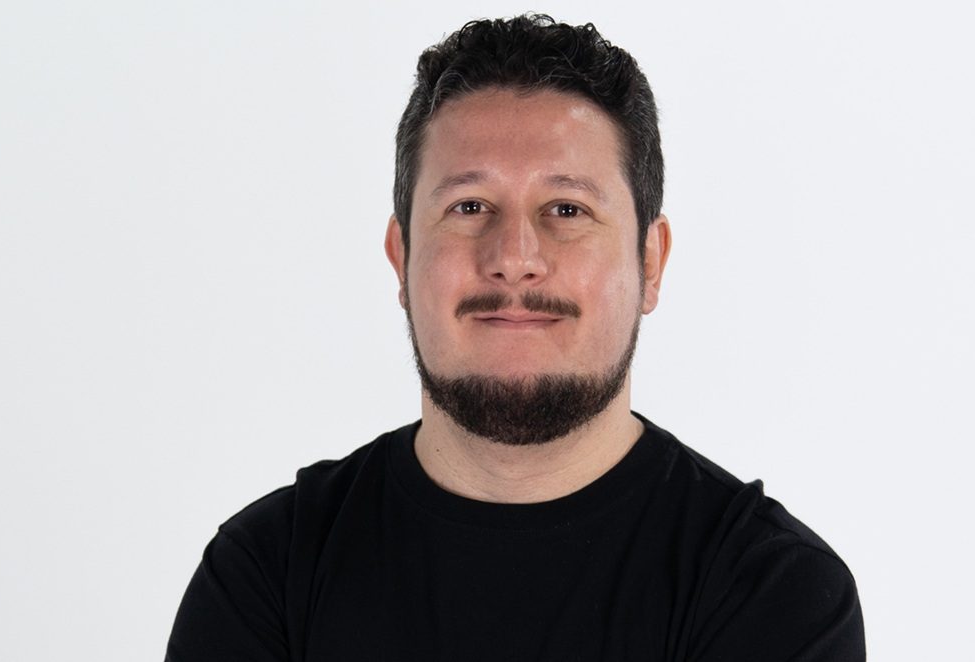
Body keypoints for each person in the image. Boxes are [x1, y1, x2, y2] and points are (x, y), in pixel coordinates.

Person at [165, 14, 865, 661]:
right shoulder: (266, 574)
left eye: (567, 209)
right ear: (401, 259)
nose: (514, 257)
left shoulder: (771, 592)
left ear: (650, 263)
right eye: (469, 206)